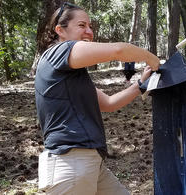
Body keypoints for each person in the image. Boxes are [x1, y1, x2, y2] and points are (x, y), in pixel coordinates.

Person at [34, 2, 160, 194]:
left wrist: (140, 84)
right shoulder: (58, 53)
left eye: (90, 26)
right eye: (82, 25)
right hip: (71, 163)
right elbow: (118, 51)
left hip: (89, 162)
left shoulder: (69, 75)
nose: (89, 31)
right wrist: (152, 59)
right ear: (60, 30)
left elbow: (109, 103)